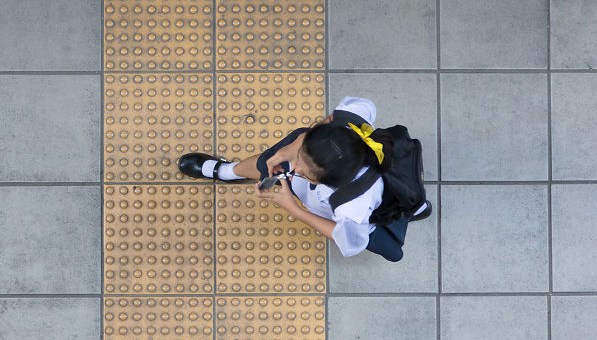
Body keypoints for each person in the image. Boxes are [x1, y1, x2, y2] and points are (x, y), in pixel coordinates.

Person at [177, 96, 431, 261]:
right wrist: (297, 144)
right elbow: (343, 115)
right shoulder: (346, 128)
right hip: (369, 186)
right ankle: (226, 171)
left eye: (305, 171)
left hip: (363, 211)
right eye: (301, 157)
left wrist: (294, 209)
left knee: (389, 242)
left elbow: (351, 240)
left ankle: (409, 205)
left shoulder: (350, 204)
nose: (295, 168)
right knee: (267, 162)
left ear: (332, 182)